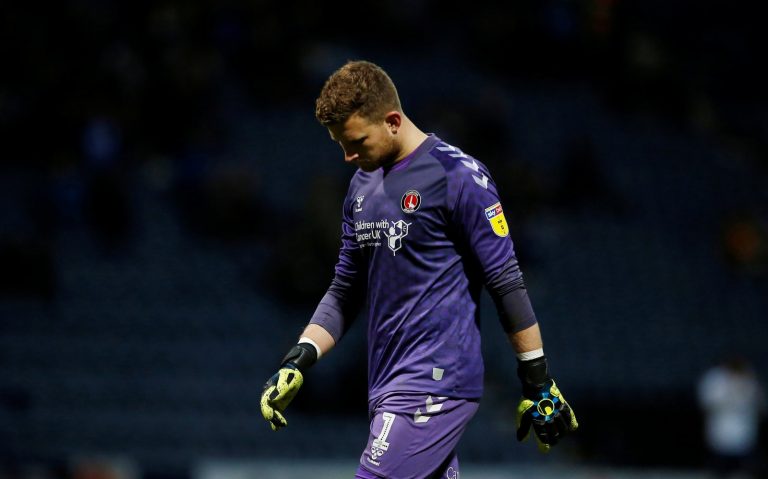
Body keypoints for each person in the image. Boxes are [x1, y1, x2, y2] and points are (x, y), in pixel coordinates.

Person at [260, 60, 578, 478]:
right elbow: (345, 289)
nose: (348, 156)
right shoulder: (361, 187)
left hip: (434, 383)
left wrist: (537, 381)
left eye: (356, 141)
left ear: (392, 121)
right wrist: (298, 359)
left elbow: (505, 282)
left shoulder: (459, 177)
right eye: (340, 144)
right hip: (387, 384)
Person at [698, 355, 765, 478]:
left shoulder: (748, 377)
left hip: (744, 426)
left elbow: (758, 400)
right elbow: (709, 401)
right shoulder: (716, 379)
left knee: (749, 462)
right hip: (722, 425)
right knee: (720, 462)